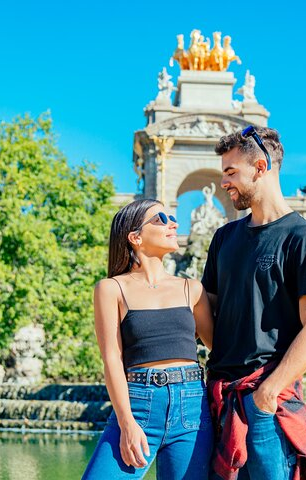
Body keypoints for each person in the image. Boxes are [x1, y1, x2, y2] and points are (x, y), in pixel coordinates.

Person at [202, 126, 306, 479]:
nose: (224, 183)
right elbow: (211, 319)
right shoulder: (223, 238)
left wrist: (268, 391)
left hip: (267, 403)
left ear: (260, 167)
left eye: (232, 172)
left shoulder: (304, 239)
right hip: (219, 400)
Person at [83, 199, 215, 479]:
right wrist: (126, 422)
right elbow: (112, 359)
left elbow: (219, 347)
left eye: (171, 218)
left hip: (192, 405)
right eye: (161, 219)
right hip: (138, 405)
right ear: (136, 237)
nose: (173, 223)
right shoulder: (111, 289)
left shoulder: (191, 289)